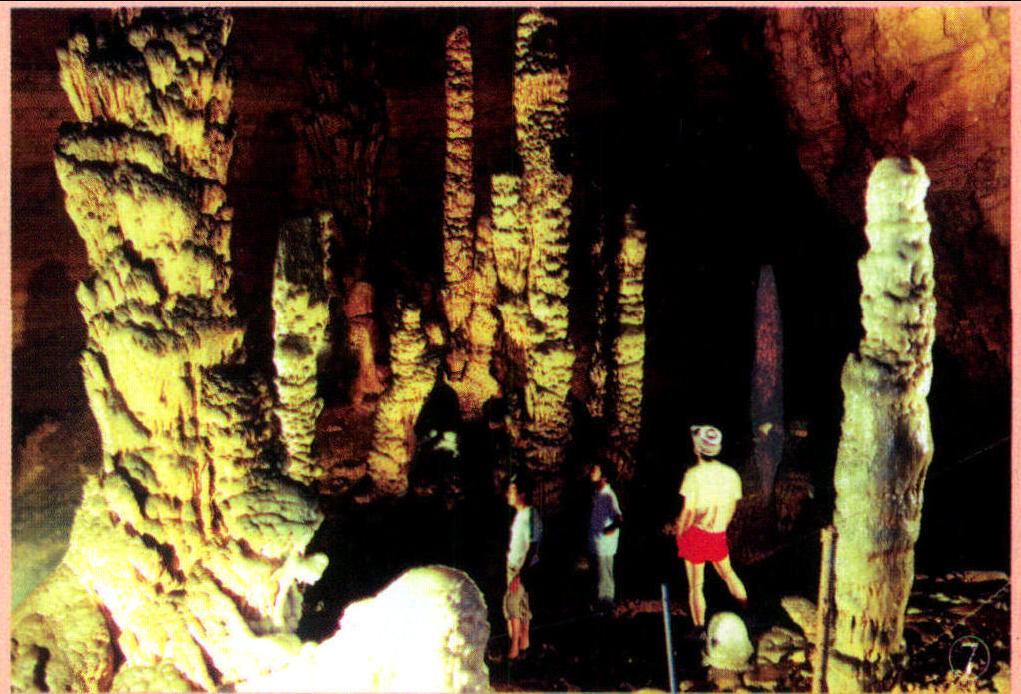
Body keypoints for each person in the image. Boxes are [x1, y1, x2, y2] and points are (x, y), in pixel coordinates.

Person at [675, 425, 748, 629]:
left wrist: (680, 532)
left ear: (697, 449)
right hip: (718, 532)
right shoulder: (731, 474)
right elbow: (732, 508)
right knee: (728, 574)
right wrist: (721, 526)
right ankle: (746, 611)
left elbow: (688, 511)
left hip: (696, 533)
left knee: (696, 586)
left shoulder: (693, 474)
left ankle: (699, 629)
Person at [503, 475, 539, 659]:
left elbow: (533, 547)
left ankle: (514, 648)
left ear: (522, 494)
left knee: (512, 604)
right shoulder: (521, 515)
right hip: (515, 566)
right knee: (522, 606)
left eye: (512, 491)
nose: (508, 494)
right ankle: (524, 645)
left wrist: (521, 574)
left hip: (521, 569)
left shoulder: (531, 516)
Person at [588, 460, 623, 612]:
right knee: (597, 578)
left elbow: (619, 518)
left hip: (604, 547)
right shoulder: (597, 494)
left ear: (604, 476)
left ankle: (607, 608)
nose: (591, 472)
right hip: (595, 545)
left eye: (595, 470)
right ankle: (598, 608)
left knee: (605, 579)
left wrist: (608, 531)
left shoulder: (609, 496)